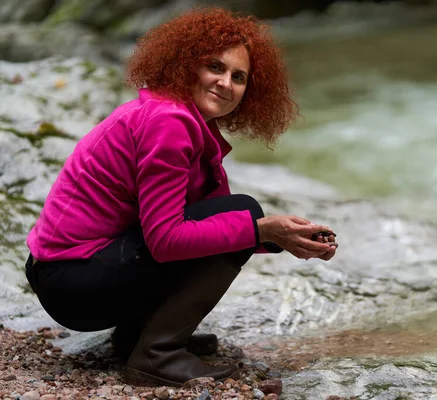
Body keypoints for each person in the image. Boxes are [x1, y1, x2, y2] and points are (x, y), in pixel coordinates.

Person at [24, 7, 338, 387]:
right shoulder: (168, 123)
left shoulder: (173, 117)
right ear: (186, 65)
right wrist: (262, 229)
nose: (226, 83)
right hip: (73, 283)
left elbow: (205, 228)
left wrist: (280, 237)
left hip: (69, 273)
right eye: (215, 68)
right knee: (243, 211)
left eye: (239, 77)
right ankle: (156, 355)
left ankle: (135, 338)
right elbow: (166, 241)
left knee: (237, 215)